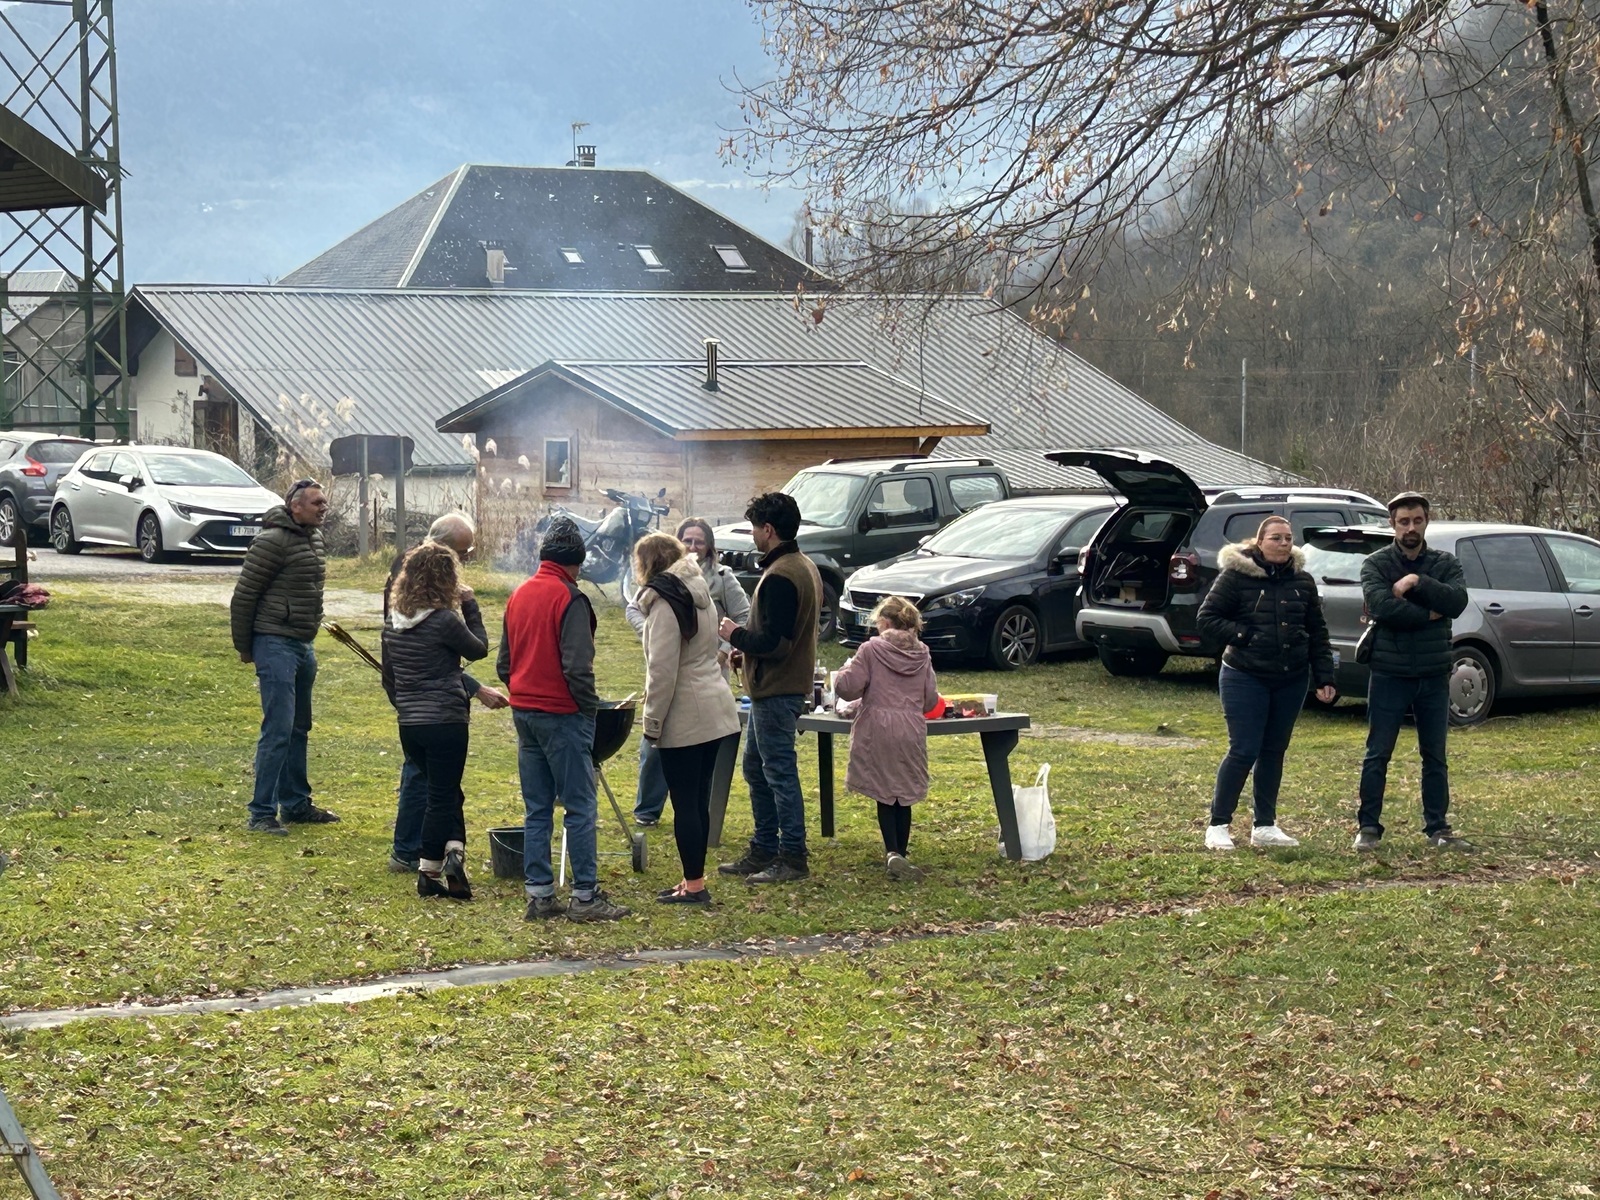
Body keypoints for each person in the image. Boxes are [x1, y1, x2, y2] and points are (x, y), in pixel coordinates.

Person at [498, 515, 630, 922]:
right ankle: (585, 897)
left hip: (525, 714)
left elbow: (504, 663)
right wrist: (587, 707)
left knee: (537, 808)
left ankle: (539, 895)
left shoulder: (519, 595)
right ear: (576, 564)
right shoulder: (570, 598)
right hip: (563, 715)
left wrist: (525, 688)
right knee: (580, 807)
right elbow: (577, 667)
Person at [1196, 517, 1337, 851]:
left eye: (1288, 538)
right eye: (1276, 538)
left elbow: (1317, 631)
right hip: (1244, 674)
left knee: (1274, 750)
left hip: (1291, 677)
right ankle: (1218, 824)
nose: (1284, 543)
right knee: (1244, 749)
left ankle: (1265, 825)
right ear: (1259, 542)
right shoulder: (1235, 576)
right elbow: (1207, 618)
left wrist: (1325, 677)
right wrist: (1245, 635)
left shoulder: (1302, 581)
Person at [383, 513, 508, 873]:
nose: (464, 561)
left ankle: (452, 850)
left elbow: (417, 661)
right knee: (436, 790)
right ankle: (423, 862)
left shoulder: (395, 621)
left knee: (441, 786)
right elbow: (477, 649)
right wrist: (470, 605)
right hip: (440, 715)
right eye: (462, 555)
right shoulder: (442, 618)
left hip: (411, 713)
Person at [1355, 491, 1471, 851]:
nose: (1411, 528)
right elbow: (1382, 607)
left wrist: (1417, 582)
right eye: (1404, 521)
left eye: (1417, 521)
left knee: (1435, 756)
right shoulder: (1375, 564)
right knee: (1378, 753)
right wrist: (1430, 613)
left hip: (1434, 674)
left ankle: (1438, 828)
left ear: (1426, 521)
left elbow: (1457, 601)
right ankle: (1368, 827)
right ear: (1392, 524)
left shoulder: (1445, 563)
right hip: (1389, 673)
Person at [717, 492, 821, 884]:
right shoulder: (802, 565)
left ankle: (792, 856)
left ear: (768, 529)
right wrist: (748, 653)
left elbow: (777, 643)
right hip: (777, 687)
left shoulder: (781, 575)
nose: (752, 535)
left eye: (754, 528)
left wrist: (736, 635)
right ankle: (764, 847)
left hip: (778, 690)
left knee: (777, 773)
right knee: (757, 769)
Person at [632, 532, 741, 905]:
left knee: (685, 804)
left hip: (686, 713)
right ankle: (693, 879)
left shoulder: (665, 604)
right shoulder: (699, 593)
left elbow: (662, 672)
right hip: (714, 705)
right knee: (698, 799)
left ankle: (694, 885)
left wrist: (652, 723)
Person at [624, 517, 749, 827]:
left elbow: (742, 617)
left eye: (699, 541)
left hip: (701, 680)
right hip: (685, 681)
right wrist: (650, 631)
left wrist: (723, 650)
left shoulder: (719, 579)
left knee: (692, 784)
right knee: (657, 756)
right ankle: (649, 809)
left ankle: (695, 829)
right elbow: (635, 609)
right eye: (687, 540)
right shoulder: (660, 595)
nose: (693, 546)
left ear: (709, 546)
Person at [230, 477, 338, 835]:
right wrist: (245, 647)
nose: (323, 508)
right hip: (274, 642)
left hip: (303, 643)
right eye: (316, 503)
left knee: (299, 727)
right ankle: (261, 813)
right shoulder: (271, 541)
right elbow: (244, 596)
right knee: (278, 729)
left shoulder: (314, 538)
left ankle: (295, 804)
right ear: (295, 506)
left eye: (324, 502)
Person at [832, 595, 940, 880]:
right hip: (911, 727)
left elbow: (848, 688)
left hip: (878, 726)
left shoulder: (871, 649)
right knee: (903, 794)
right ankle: (901, 853)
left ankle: (892, 852)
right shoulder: (923, 653)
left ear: (885, 622)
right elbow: (930, 699)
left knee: (884, 791)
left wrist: (842, 671)